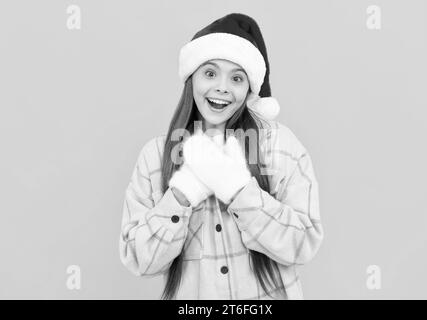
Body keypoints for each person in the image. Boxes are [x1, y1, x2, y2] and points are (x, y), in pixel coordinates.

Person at [119, 13, 323, 300]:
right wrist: (182, 192)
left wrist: (237, 187)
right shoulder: (155, 156)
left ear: (248, 89)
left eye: (237, 78)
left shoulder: (279, 145)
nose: (222, 88)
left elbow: (303, 244)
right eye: (210, 73)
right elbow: (139, 259)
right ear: (192, 79)